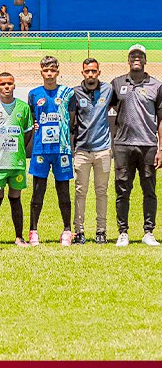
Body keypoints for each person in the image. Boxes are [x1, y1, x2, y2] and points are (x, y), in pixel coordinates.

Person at [111, 44, 162, 247]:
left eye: (140, 55)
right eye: (133, 55)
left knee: (149, 189)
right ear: (128, 59)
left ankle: (148, 232)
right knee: (122, 189)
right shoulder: (117, 83)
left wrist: (161, 148)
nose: (136, 58)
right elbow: (107, 106)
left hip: (148, 145)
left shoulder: (156, 85)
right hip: (123, 144)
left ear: (146, 60)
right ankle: (123, 232)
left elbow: (160, 119)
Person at [27, 56, 74, 246]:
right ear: (41, 72)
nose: (49, 74)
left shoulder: (68, 93)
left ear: (58, 71)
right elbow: (32, 119)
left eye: (53, 70)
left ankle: (67, 230)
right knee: (38, 191)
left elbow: (72, 119)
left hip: (61, 149)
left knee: (63, 191)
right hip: (41, 149)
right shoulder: (34, 94)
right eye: (46, 70)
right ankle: (33, 231)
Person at [0, 72, 33, 247]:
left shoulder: (23, 107)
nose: (6, 87)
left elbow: (28, 132)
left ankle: (19, 237)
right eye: (3, 84)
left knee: (15, 198)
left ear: (14, 85)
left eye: (9, 84)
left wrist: (19, 148)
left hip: (16, 162)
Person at [69, 58, 113, 245]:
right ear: (82, 73)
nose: (90, 75)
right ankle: (79, 231)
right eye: (87, 71)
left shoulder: (108, 90)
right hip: (82, 150)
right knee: (81, 191)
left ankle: (101, 231)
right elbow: (70, 121)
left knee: (102, 192)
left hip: (103, 149)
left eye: (93, 71)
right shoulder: (75, 93)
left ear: (99, 72)